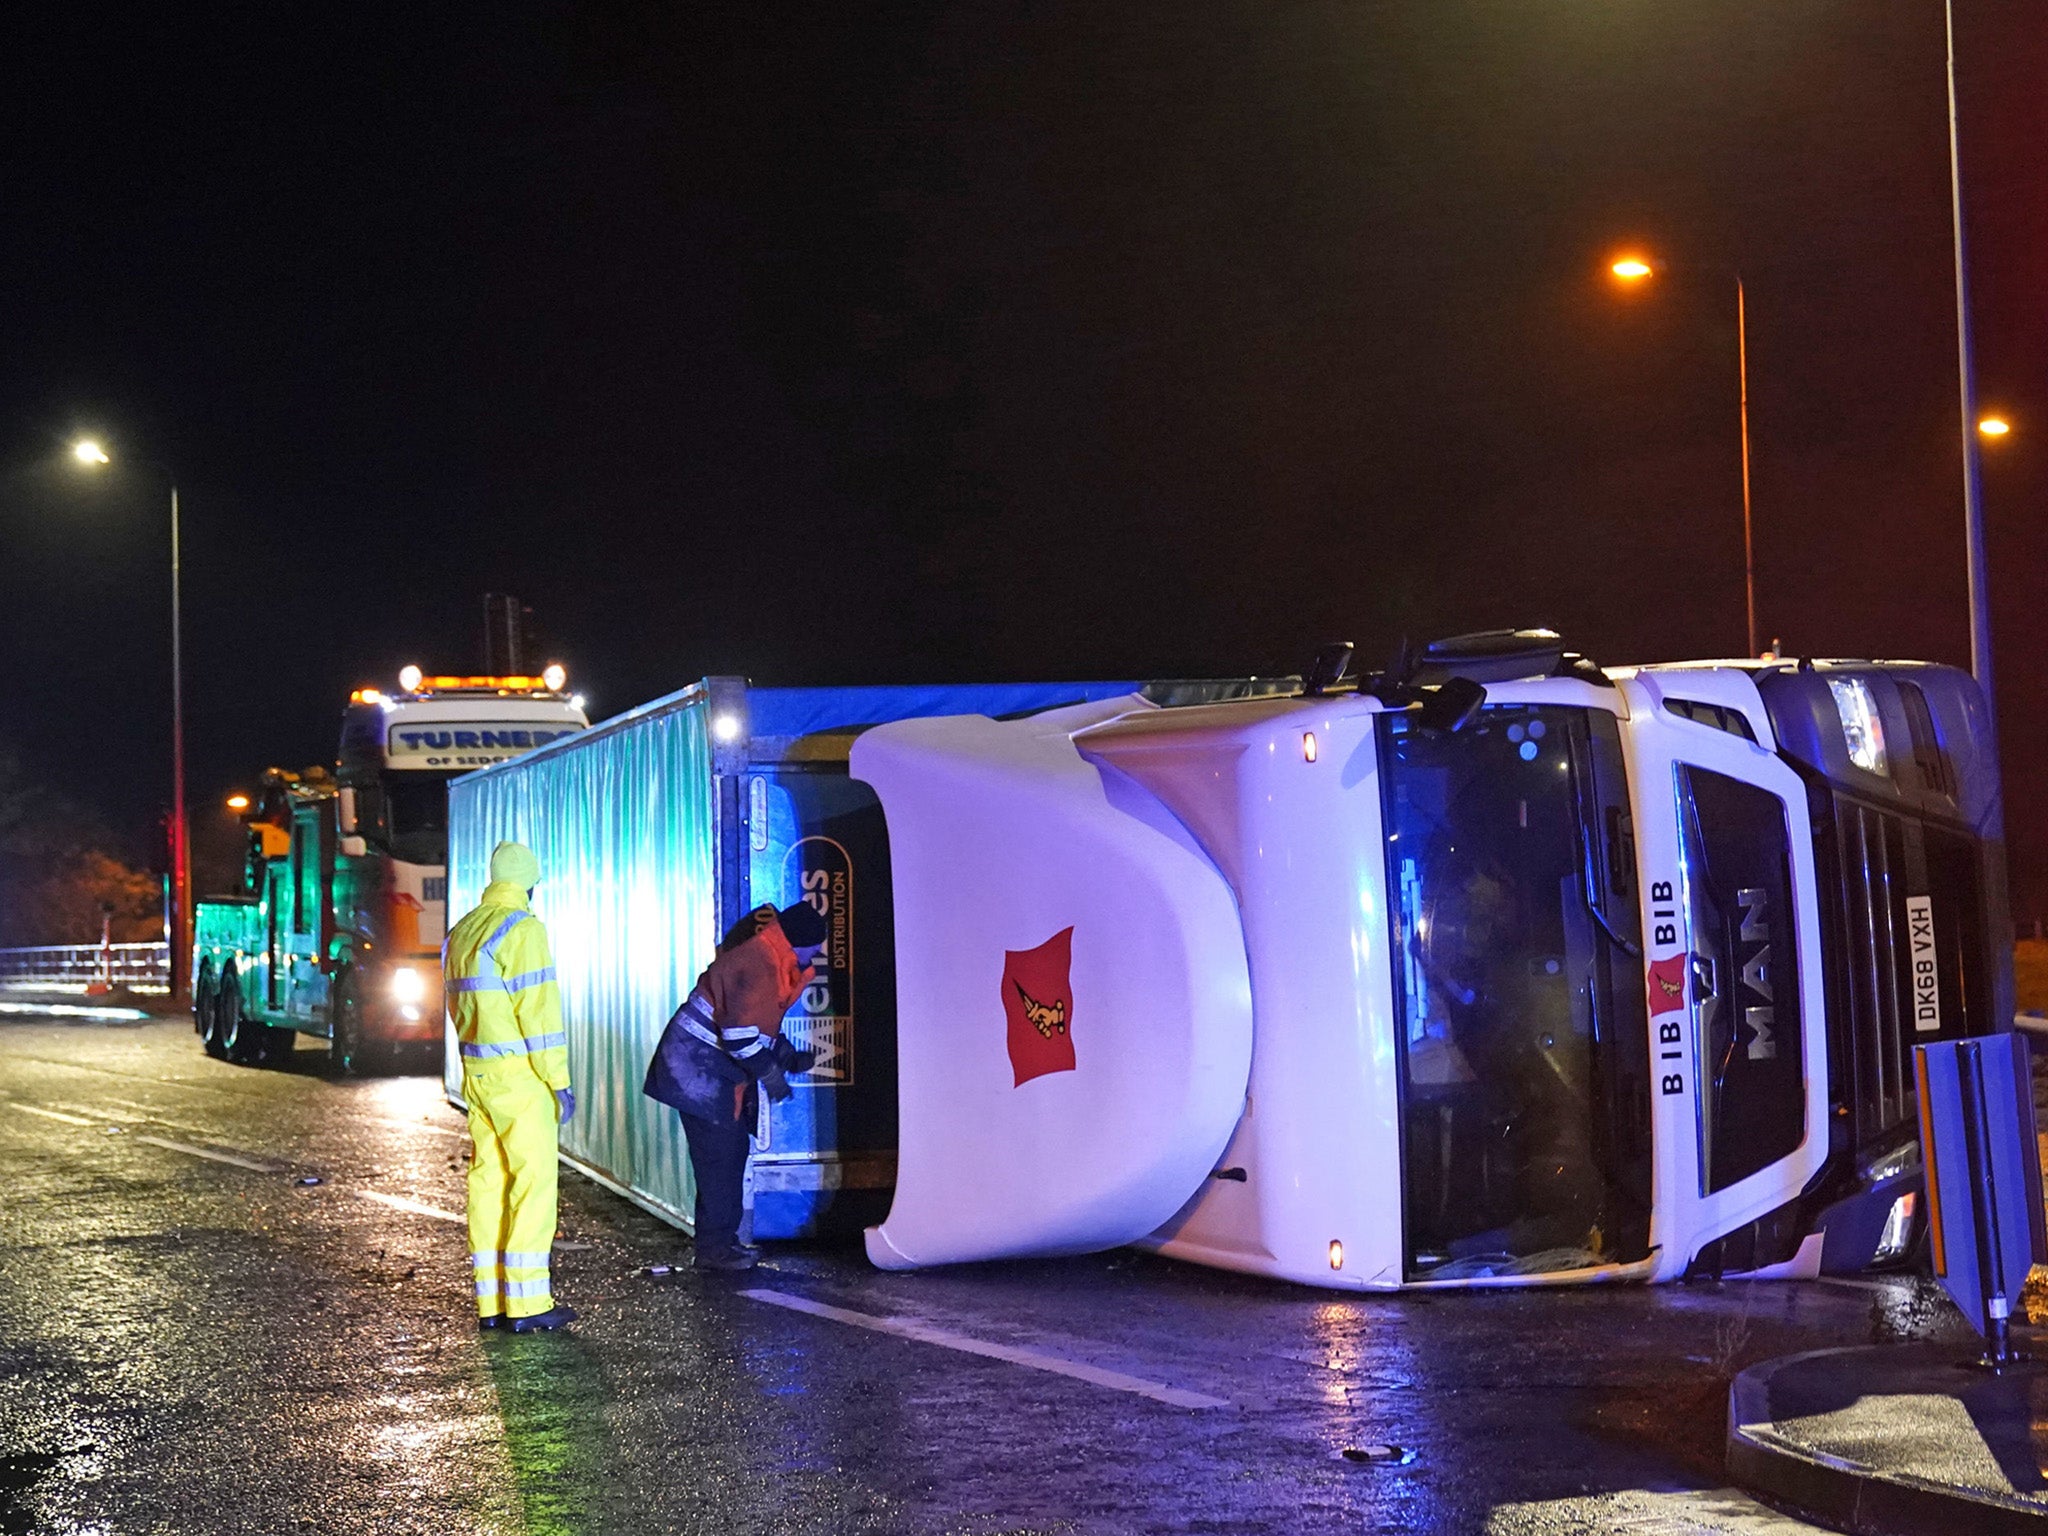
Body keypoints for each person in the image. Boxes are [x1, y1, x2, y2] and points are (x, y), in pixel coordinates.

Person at [446, 839, 577, 1332]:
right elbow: (538, 1014)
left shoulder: (461, 933)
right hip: (520, 1077)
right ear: (529, 884)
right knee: (534, 1184)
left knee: (489, 1183)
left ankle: (492, 1302)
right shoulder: (522, 929)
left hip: (478, 1076)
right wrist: (559, 1082)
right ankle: (528, 1303)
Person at [672, 902, 826, 1270]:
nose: (817, 956)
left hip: (703, 1070)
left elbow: (755, 1025)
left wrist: (785, 1055)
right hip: (699, 1072)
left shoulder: (767, 958)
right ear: (801, 943)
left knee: (727, 1156)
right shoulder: (762, 965)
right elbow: (740, 1037)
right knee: (720, 1161)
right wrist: (772, 1074)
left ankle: (722, 1243)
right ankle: (714, 1251)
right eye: (816, 948)